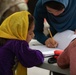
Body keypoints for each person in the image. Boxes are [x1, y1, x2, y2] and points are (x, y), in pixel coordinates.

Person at [34, 0, 76, 75]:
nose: (55, 14)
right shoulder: (41, 5)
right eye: (50, 11)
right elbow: (36, 31)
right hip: (56, 43)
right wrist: (45, 40)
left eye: (59, 10)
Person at [0, 11, 44, 75]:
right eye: (30, 33)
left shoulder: (4, 38)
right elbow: (34, 58)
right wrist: (40, 53)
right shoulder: (17, 43)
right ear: (20, 31)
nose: (33, 35)